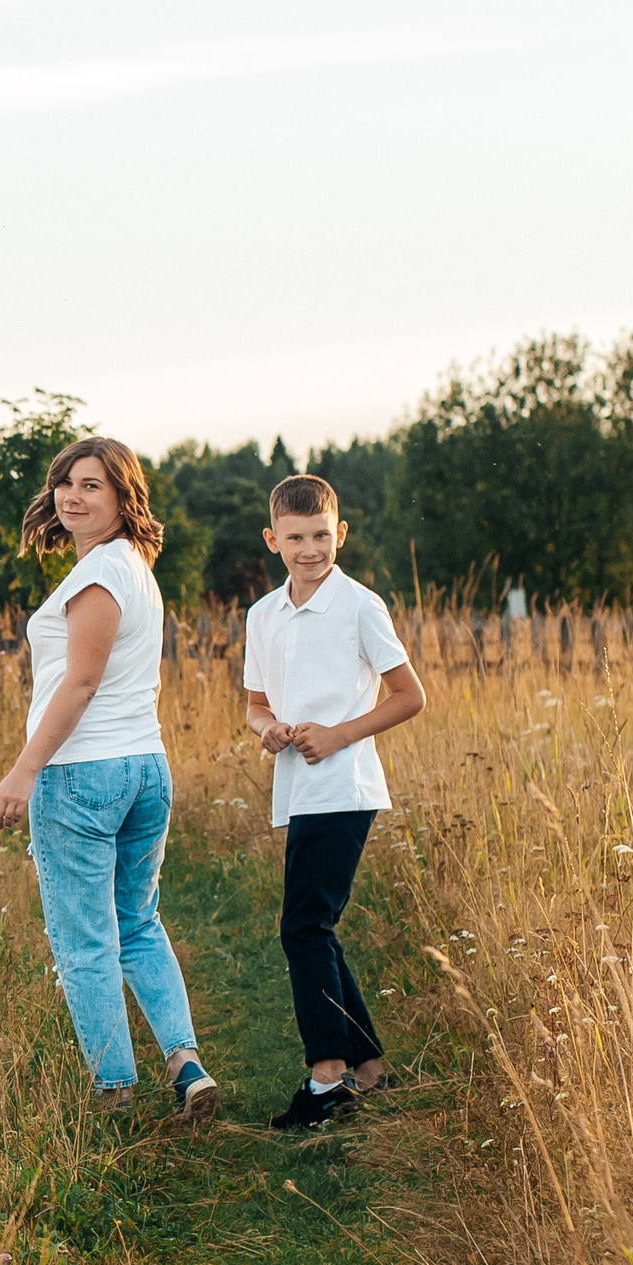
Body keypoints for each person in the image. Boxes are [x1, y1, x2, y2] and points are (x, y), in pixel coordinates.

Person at [0, 439, 216, 1118]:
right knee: (137, 921)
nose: (73, 496)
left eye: (92, 485)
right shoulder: (133, 568)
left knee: (84, 939)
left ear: (123, 498)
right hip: (145, 766)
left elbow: (82, 682)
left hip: (83, 773)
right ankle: (185, 1061)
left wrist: (25, 769)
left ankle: (114, 1091)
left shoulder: (100, 576)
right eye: (65, 483)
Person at [242, 474, 426, 1128]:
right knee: (315, 926)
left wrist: (339, 733)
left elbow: (410, 695)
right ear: (274, 541)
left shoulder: (360, 606)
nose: (311, 548)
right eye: (296, 537)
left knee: (302, 927)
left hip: (345, 785)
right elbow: (257, 703)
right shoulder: (262, 615)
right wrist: (268, 731)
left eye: (322, 534)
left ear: (340, 533)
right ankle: (371, 1067)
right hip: (296, 787)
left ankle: (328, 1079)